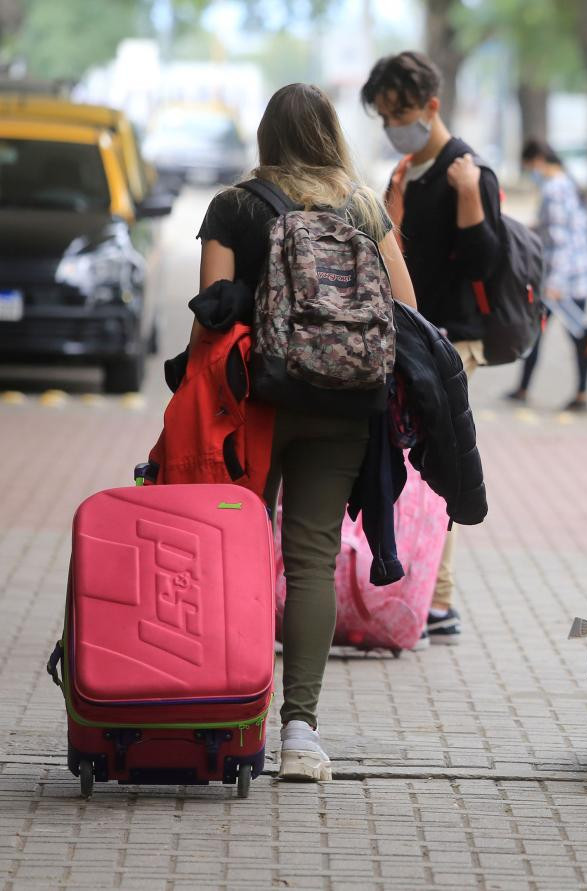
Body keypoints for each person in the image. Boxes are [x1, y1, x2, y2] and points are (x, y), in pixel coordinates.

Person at [197, 83, 416, 782]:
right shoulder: (362, 204)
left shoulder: (233, 206)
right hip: (344, 403)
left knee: (239, 554)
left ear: (267, 136)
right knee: (313, 559)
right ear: (329, 134)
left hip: (254, 407)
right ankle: (299, 734)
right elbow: (407, 310)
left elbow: (207, 319)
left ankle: (232, 720)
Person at [361, 50, 506, 645]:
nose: (394, 124)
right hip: (413, 339)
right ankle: (421, 594)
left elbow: (485, 266)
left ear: (431, 106)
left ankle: (438, 601)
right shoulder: (406, 172)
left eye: (401, 112)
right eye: (385, 115)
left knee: (438, 468)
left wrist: (470, 198)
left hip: (450, 345)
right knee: (410, 469)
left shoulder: (465, 170)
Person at [505, 139, 587, 412]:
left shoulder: (554, 189)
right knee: (576, 336)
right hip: (578, 276)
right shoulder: (567, 182)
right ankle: (580, 393)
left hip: (561, 281)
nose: (530, 173)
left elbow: (561, 240)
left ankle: (525, 389)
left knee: (537, 332)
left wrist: (554, 284)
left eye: (528, 167)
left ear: (537, 160)